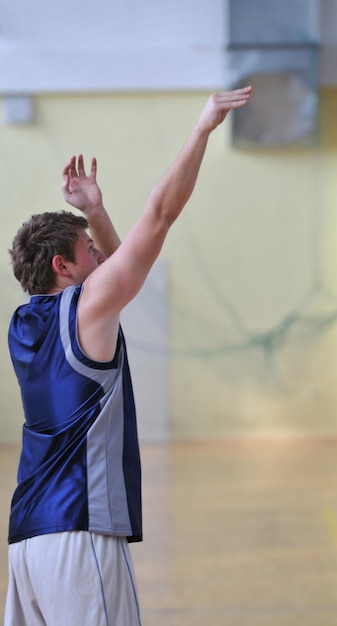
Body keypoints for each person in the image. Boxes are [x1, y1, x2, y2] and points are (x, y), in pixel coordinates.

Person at [4, 86, 252, 626]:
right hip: (79, 533)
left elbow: (123, 279)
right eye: (87, 248)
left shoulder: (23, 324)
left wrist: (93, 210)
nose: (99, 253)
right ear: (62, 267)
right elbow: (160, 215)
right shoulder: (86, 311)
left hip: (25, 541)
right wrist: (202, 128)